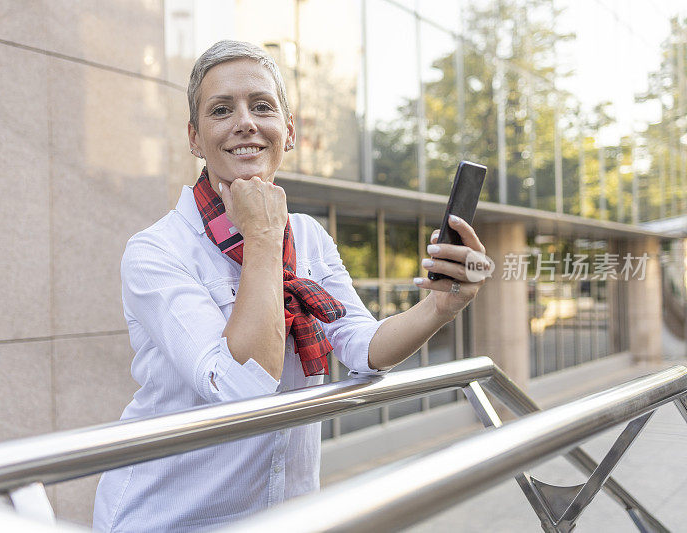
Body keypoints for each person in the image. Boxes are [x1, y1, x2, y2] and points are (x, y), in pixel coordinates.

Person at [93, 40, 487, 532]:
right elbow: (239, 389)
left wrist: (442, 306)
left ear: (289, 131)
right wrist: (261, 237)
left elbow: (362, 347)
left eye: (262, 106)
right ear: (195, 138)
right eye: (221, 110)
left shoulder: (308, 237)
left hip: (286, 511)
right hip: (171, 515)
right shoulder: (158, 251)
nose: (245, 123)